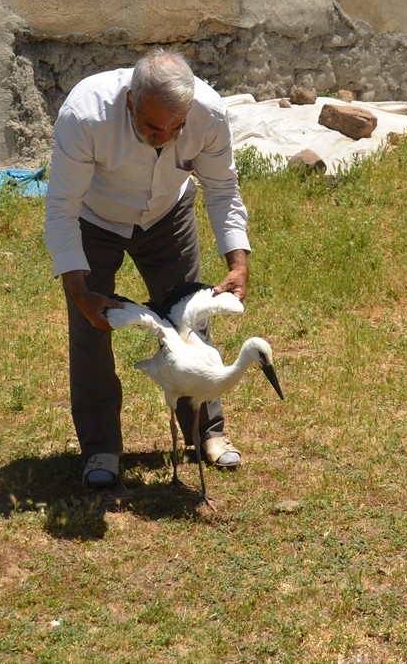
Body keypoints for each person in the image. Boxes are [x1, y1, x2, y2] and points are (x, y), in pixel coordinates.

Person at [43, 50, 252, 489]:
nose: (164, 139)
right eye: (153, 127)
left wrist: (237, 259)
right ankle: (101, 448)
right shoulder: (85, 114)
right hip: (94, 218)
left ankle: (206, 435)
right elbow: (61, 209)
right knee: (91, 330)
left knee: (192, 323)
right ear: (131, 103)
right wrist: (79, 290)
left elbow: (222, 189)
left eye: (176, 129)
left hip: (168, 216)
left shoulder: (209, 113)